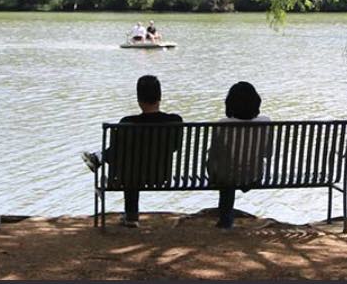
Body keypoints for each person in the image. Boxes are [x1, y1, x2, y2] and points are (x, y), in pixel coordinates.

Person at [82, 75, 183, 227]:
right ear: (160, 96)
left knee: (130, 164)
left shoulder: (127, 122)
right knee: (132, 160)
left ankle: (131, 216)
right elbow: (175, 148)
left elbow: (117, 154)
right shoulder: (175, 120)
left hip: (130, 176)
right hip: (161, 176)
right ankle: (98, 157)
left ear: (138, 99)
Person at [207, 81, 272, 229]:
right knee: (230, 171)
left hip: (227, 177)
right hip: (254, 175)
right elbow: (268, 153)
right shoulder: (265, 122)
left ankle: (226, 219)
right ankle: (242, 184)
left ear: (229, 103)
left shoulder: (222, 125)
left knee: (224, 173)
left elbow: (215, 155)